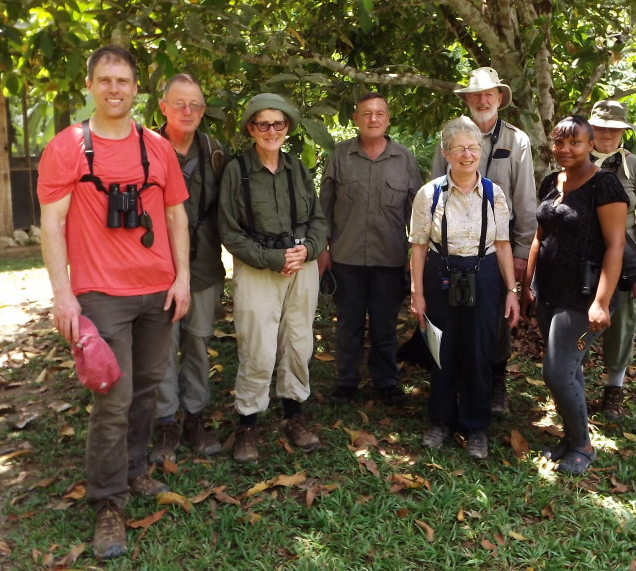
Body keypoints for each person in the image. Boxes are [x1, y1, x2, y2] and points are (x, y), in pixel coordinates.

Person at [37, 45, 191, 560]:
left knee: (147, 386)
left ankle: (134, 470)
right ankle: (107, 502)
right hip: (101, 294)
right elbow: (53, 224)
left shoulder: (157, 147)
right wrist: (64, 296)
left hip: (157, 289)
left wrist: (183, 278)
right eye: (104, 80)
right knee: (114, 396)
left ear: (136, 88)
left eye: (122, 80)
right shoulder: (67, 147)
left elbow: (176, 218)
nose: (114, 89)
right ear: (89, 86)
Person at [218, 93, 327, 464]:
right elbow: (229, 231)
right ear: (251, 128)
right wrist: (270, 258)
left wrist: (308, 250)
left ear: (287, 128)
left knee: (299, 342)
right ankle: (247, 423)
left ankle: (293, 416)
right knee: (258, 346)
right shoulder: (237, 171)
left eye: (278, 124)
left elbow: (318, 219)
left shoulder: (298, 167)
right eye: (262, 124)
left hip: (300, 265)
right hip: (257, 267)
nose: (271, 131)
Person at [409, 116, 520, 460]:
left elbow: (502, 244)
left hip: (483, 274)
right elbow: (418, 246)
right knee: (441, 348)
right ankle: (440, 420)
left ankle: (476, 426)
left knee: (478, 349)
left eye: (473, 148)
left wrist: (512, 291)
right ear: (446, 153)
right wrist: (417, 291)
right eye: (459, 148)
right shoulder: (429, 194)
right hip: (441, 271)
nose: (467, 155)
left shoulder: (493, 193)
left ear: (481, 151)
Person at [522, 115, 628, 475]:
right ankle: (570, 438)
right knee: (571, 369)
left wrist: (601, 301)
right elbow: (541, 235)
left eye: (575, 142)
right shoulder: (552, 181)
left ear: (591, 144)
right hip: (548, 290)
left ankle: (582, 444)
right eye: (558, 142)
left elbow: (615, 247)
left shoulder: (605, 185)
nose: (565, 149)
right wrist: (527, 282)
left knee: (557, 371)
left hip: (584, 297)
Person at [430, 67, 536, 416]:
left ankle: (496, 382)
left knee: (495, 320)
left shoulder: (516, 141)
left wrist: (521, 252)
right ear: (467, 100)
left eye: (489, 93)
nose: (482, 99)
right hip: (453, 251)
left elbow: (524, 200)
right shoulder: (449, 137)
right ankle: (456, 385)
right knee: (454, 317)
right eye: (475, 94)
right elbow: (434, 191)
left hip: (496, 250)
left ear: (500, 98)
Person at [318, 92, 423, 405]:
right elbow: (324, 206)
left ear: (388, 119)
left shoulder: (404, 158)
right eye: (366, 114)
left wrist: (413, 257)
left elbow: (418, 212)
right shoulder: (340, 155)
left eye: (379, 113)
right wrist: (323, 248)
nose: (373, 119)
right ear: (356, 119)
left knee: (384, 324)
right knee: (348, 323)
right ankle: (345, 382)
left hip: (389, 258)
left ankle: (386, 382)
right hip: (346, 257)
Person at [150, 74, 227, 465]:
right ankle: (165, 421)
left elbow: (226, 212)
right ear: (163, 107)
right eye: (179, 104)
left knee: (197, 341)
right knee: (162, 346)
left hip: (203, 265)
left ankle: (194, 417)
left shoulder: (214, 151)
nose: (187, 111)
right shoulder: (142, 147)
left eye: (195, 105)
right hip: (153, 267)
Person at [588, 100, 636, 421]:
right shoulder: (574, 160)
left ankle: (614, 388)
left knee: (622, 325)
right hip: (582, 262)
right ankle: (571, 385)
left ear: (623, 132)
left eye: (614, 129)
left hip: (624, 262)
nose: (607, 135)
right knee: (576, 326)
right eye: (601, 127)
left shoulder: (634, 166)